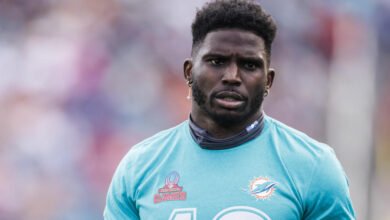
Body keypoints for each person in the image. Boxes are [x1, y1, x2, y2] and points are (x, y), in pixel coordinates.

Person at [104, 0, 355, 219]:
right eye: (217, 61)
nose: (232, 76)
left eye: (249, 65)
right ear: (189, 71)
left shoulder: (313, 166)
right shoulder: (140, 167)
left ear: (268, 81)